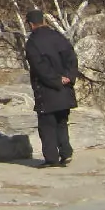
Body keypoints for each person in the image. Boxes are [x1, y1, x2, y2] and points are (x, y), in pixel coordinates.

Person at [24, 9, 79, 167]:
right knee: (62, 122)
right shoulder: (58, 37)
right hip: (65, 91)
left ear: (31, 24)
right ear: (44, 21)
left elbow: (40, 68)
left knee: (47, 126)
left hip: (47, 90)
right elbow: (71, 57)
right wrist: (69, 76)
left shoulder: (32, 43)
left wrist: (56, 80)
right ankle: (66, 153)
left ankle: (52, 158)